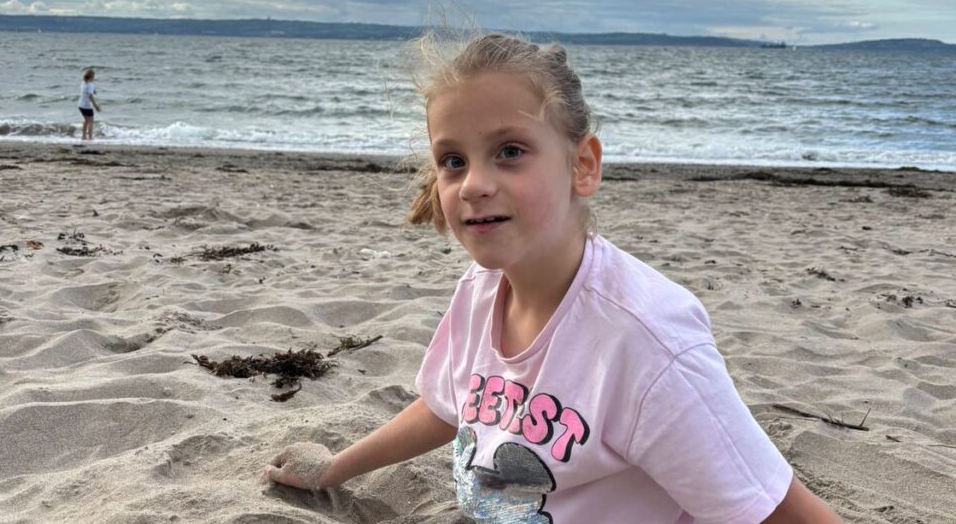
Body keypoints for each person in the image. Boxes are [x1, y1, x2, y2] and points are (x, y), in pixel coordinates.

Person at [261, 31, 842, 523]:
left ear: (581, 165)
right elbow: (448, 406)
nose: (473, 184)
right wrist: (335, 468)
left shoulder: (646, 343)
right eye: (453, 161)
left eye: (510, 151)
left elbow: (778, 510)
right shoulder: (480, 289)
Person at [78, 68, 101, 140]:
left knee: (86, 120)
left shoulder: (83, 82)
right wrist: (96, 106)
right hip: (87, 106)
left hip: (81, 105)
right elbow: (90, 96)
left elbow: (87, 89)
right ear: (92, 77)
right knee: (91, 121)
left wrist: (93, 90)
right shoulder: (90, 85)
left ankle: (83, 136)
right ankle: (90, 137)